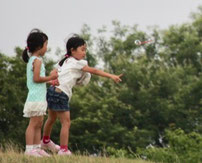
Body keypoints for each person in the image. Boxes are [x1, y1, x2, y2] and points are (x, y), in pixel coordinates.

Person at [41, 34, 122, 155]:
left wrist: (52, 79)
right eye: (82, 49)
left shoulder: (64, 61)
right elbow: (94, 71)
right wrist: (112, 76)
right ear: (72, 50)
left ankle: (45, 141)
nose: (84, 53)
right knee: (66, 122)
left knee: (51, 118)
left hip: (52, 90)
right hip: (61, 92)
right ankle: (63, 150)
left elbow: (53, 72)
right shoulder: (79, 63)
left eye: (85, 50)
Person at [22, 29, 58, 157]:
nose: (46, 47)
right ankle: (29, 149)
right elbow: (36, 79)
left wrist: (50, 81)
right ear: (39, 46)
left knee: (39, 123)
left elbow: (38, 80)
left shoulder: (34, 59)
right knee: (34, 123)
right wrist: (51, 77)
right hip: (35, 97)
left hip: (39, 96)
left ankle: (36, 148)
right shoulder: (37, 60)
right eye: (46, 44)